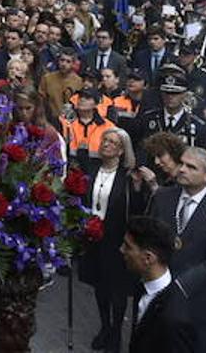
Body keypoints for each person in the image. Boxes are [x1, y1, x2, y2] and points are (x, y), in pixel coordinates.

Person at [147, 147, 206, 353]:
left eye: (191, 167)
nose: (182, 170)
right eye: (182, 164)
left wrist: (177, 285)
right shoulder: (163, 197)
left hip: (200, 304)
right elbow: (149, 238)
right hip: (160, 298)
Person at [79, 127, 149, 353]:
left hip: (117, 240)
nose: (106, 145)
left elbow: (136, 211)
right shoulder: (91, 170)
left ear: (121, 151)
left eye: (112, 143)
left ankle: (116, 331)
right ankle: (105, 327)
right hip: (93, 238)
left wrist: (138, 189)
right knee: (100, 286)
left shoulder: (127, 177)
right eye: (105, 140)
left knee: (117, 291)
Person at [121, 215, 197, 353]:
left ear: (148, 258)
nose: (122, 250)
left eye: (128, 247)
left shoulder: (174, 319)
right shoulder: (142, 286)